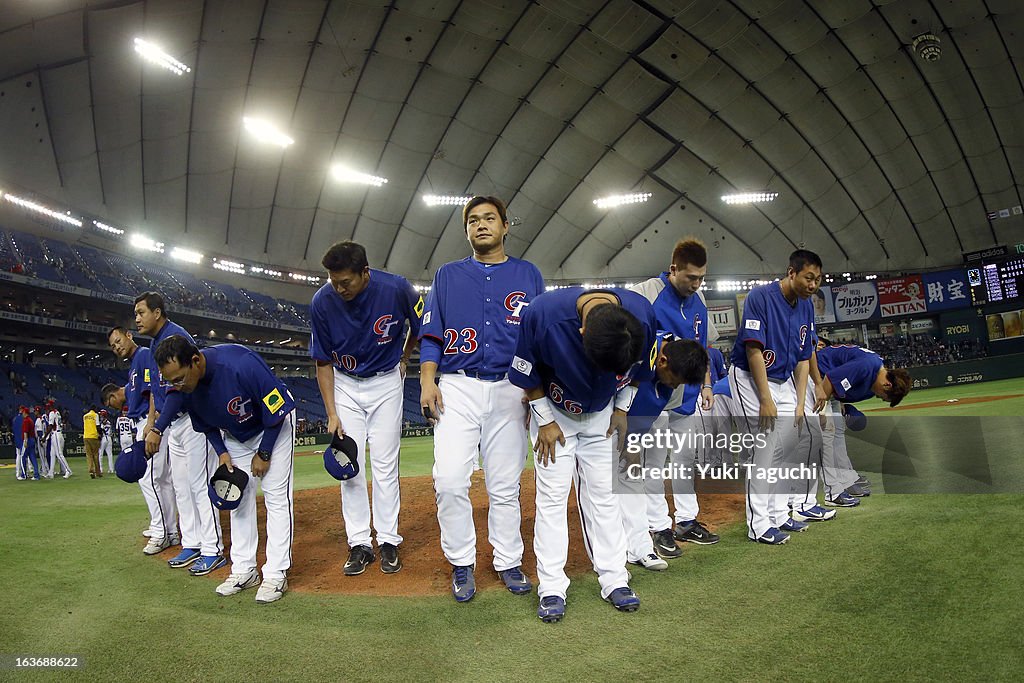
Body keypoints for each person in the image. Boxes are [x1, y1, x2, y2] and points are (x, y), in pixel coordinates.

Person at [419, 195, 545, 602]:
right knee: (450, 478)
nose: (481, 225)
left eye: (489, 218)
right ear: (467, 229)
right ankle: (461, 562)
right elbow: (431, 333)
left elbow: (541, 337)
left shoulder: (528, 274)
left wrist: (536, 389)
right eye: (473, 220)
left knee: (505, 484)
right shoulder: (447, 275)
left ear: (506, 226)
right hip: (457, 384)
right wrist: (427, 380)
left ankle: (508, 560)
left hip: (512, 387)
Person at [508, 286, 657, 622]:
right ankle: (551, 586)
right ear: (582, 332)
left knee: (605, 495)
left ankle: (615, 578)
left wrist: (622, 409)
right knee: (552, 499)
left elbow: (640, 374)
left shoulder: (642, 314)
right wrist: (544, 420)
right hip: (556, 414)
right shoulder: (542, 314)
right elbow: (525, 372)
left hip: (603, 414)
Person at [154, 335, 296, 604]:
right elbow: (205, 425)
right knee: (237, 500)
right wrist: (221, 453)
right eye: (171, 381)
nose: (176, 386)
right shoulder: (187, 389)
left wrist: (264, 452)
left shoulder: (241, 363)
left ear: (195, 361)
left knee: (276, 497)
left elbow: (277, 408)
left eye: (179, 378)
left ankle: (276, 573)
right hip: (235, 436)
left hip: (273, 426)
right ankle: (244, 570)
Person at [310, 241, 422, 576]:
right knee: (350, 464)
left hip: (386, 381)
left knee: (386, 465)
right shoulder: (322, 301)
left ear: (365, 273)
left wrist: (404, 357)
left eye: (346, 281)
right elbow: (322, 361)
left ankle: (388, 539)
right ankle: (359, 542)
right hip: (344, 383)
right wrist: (331, 412)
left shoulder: (397, 288)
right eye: (334, 281)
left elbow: (421, 328)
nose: (339, 287)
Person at [625, 238, 721, 565]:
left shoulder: (699, 301)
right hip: (655, 396)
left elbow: (702, 348)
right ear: (673, 269)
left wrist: (706, 384)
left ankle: (686, 520)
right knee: (653, 463)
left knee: (683, 460)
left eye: (701, 278)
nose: (696, 284)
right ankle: (657, 526)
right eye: (691, 277)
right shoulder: (646, 293)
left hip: (687, 394)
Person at [728, 250, 823, 545]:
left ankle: (779, 514)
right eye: (809, 277)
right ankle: (758, 525)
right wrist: (766, 398)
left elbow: (804, 357)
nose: (813, 285)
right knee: (763, 449)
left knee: (783, 450)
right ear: (791, 272)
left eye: (818, 279)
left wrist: (799, 401)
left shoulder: (806, 307)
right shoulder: (761, 297)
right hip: (748, 377)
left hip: (783, 382)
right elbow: (753, 349)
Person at [135, 292, 225, 575]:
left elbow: (180, 388)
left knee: (199, 485)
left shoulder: (177, 337)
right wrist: (154, 421)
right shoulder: (154, 344)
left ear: (157, 313)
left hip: (192, 419)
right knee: (181, 485)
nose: (136, 319)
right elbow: (157, 391)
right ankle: (193, 541)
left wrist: (157, 428)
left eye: (141, 312)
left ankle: (213, 549)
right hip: (172, 423)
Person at [620, 335, 709, 570]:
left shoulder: (671, 381)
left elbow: (649, 412)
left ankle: (640, 547)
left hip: (636, 417)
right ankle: (628, 545)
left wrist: (632, 443)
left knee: (633, 475)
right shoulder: (637, 347)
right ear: (663, 361)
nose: (676, 386)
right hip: (598, 413)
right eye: (674, 381)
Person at [807, 342, 912, 506]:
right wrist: (821, 412)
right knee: (826, 434)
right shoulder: (867, 365)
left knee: (838, 432)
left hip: (826, 384)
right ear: (887, 384)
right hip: (815, 377)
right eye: (883, 396)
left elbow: (842, 387)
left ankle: (846, 480)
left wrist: (840, 403)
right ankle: (833, 492)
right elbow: (829, 379)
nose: (879, 397)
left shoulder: (874, 373)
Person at [104, 326, 179, 555]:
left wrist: (150, 422)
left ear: (129, 335)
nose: (117, 347)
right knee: (161, 480)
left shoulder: (144, 354)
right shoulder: (135, 363)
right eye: (113, 346)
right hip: (145, 422)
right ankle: (170, 530)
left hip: (148, 424)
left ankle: (161, 533)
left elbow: (154, 390)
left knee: (151, 479)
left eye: (118, 340)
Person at [46, 399, 72, 478]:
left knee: (59, 454)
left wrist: (44, 436)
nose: (47, 408)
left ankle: (68, 470)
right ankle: (51, 472)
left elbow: (50, 426)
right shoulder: (57, 412)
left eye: (48, 406)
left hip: (56, 434)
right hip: (59, 433)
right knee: (52, 454)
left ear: (51, 406)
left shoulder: (52, 413)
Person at [83, 405, 102, 479]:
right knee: (95, 454)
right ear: (95, 409)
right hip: (93, 436)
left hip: (86, 436)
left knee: (89, 455)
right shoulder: (95, 415)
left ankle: (91, 471)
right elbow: (97, 426)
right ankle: (98, 472)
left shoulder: (85, 416)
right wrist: (100, 434)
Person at [34, 406, 49, 478]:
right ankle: (47, 470)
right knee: (45, 456)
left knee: (42, 457)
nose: (34, 412)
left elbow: (39, 432)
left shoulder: (38, 420)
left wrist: (40, 440)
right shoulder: (43, 418)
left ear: (37, 412)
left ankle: (44, 472)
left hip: (41, 439)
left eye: (35, 411)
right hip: (45, 438)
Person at [99, 409, 114, 474]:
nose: (100, 416)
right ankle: (111, 469)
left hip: (103, 438)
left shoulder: (101, 422)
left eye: (101, 414)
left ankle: (101, 469)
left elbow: (100, 430)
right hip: (109, 438)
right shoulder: (109, 422)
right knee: (110, 454)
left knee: (100, 454)